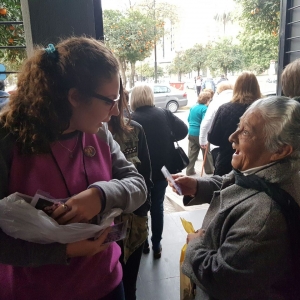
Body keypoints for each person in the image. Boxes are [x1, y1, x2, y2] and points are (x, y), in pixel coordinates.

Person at [0, 37, 147, 300]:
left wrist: (100, 195)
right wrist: (63, 251)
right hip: (34, 291)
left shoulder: (100, 134)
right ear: (75, 97)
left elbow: (137, 186)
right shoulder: (8, 140)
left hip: (107, 284)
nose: (115, 112)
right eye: (109, 101)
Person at [170, 96, 300, 299]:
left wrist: (196, 244)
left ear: (280, 150)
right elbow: (235, 183)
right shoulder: (266, 170)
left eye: (246, 132)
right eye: (239, 126)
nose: (232, 137)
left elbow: (220, 279)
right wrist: (196, 185)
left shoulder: (265, 216)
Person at [130, 84, 188, 259]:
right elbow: (183, 130)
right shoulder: (164, 113)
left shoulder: (130, 118)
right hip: (162, 171)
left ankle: (144, 243)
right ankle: (157, 244)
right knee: (158, 207)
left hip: (139, 174)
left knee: (140, 208)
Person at [108, 85, 152, 300]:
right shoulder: (86, 136)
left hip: (134, 222)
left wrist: (144, 212)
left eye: (115, 98)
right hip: (104, 228)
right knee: (110, 282)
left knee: (130, 282)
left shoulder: (135, 131)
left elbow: (145, 174)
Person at [208, 72, 261, 175]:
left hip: (227, 161)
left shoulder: (225, 108)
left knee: (223, 188)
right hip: (256, 163)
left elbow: (213, 138)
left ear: (236, 87)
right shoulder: (264, 109)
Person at [200, 81, 234, 165]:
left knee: (220, 170)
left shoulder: (215, 102)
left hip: (218, 144)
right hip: (236, 144)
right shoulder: (239, 99)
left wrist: (203, 140)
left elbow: (207, 122)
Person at [186, 91, 213, 176]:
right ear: (207, 100)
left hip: (191, 132)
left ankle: (189, 170)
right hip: (200, 133)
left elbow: (188, 119)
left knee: (192, 153)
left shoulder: (193, 107)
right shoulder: (205, 109)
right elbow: (205, 122)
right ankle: (209, 170)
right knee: (206, 152)